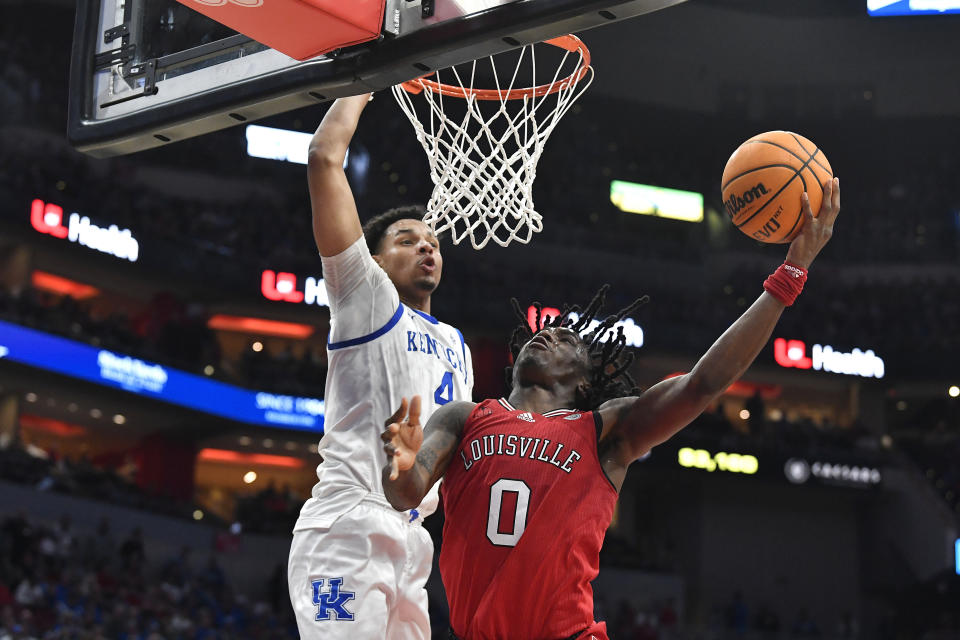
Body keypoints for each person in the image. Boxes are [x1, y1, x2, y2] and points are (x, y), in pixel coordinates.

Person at [382, 180, 841, 640]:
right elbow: (405, 492)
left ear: (584, 380)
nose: (549, 334)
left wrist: (790, 274)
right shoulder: (464, 418)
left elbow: (704, 383)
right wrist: (398, 465)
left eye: (567, 340)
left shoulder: (606, 431)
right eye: (542, 333)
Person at [288, 93, 474, 639]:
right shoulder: (366, 298)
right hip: (350, 523)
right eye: (407, 240)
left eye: (433, 242)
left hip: (414, 537)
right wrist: (362, 84)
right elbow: (324, 157)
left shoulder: (457, 344)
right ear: (372, 259)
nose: (426, 248)